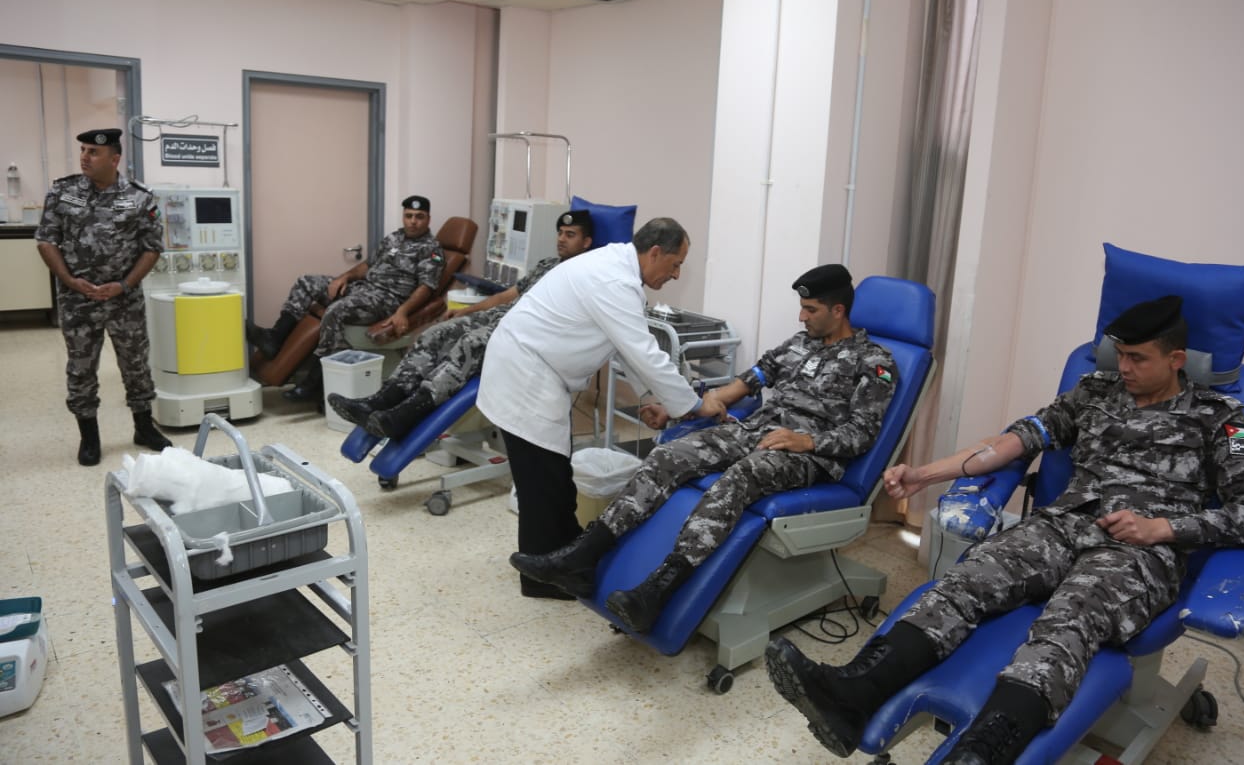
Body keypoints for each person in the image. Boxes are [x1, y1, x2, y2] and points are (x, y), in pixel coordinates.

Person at [766, 295, 1244, 765]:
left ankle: (984, 750)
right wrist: (924, 474)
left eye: (1138, 358)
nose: (1123, 367)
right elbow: (1015, 441)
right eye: (1120, 355)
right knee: (968, 578)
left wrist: (1164, 527)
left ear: (1176, 359)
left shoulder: (1220, 418)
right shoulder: (1096, 390)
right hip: (1062, 527)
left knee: (1070, 617)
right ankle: (852, 695)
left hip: (1137, 552)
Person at [511, 263, 898, 631]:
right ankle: (584, 556)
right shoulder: (799, 344)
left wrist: (806, 440)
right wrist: (680, 408)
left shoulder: (874, 362)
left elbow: (862, 433)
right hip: (755, 431)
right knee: (668, 455)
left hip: (809, 455)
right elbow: (745, 383)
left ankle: (659, 590)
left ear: (838, 310)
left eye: (810, 310)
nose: (801, 317)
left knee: (742, 475)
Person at [477, 217, 728, 599]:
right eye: (675, 264)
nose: (676, 274)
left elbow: (624, 347)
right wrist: (693, 403)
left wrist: (654, 398)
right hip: (527, 374)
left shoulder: (615, 270)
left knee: (553, 479)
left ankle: (566, 565)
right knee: (544, 482)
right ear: (655, 253)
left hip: (529, 369)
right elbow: (642, 352)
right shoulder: (614, 281)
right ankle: (543, 579)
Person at [327, 209, 594, 439]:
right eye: (560, 233)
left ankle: (405, 415)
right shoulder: (548, 264)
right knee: (435, 334)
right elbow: (507, 296)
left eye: (570, 235)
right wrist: (468, 311)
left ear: (586, 242)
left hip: (526, 329)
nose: (561, 239)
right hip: (501, 315)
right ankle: (381, 400)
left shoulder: (584, 276)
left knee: (470, 343)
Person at [35, 127, 173, 466]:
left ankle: (144, 428)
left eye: (93, 152)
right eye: (83, 150)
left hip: (124, 300)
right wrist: (69, 280)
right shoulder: (62, 192)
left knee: (135, 363)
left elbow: (152, 248)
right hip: (77, 300)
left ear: (114, 159)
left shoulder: (140, 197)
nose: (85, 157)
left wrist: (124, 285)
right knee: (81, 367)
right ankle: (89, 437)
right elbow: (46, 240)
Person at [246, 195, 445, 402]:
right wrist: (345, 277)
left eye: (419, 217)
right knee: (306, 282)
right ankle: (274, 338)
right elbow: (368, 265)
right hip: (363, 288)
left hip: (387, 300)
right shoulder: (394, 238)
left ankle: (314, 382)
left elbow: (426, 287)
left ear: (428, 219)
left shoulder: (431, 249)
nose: (413, 221)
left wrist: (402, 312)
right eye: (409, 216)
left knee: (336, 311)